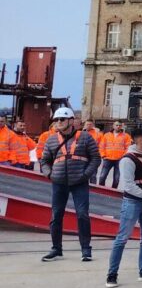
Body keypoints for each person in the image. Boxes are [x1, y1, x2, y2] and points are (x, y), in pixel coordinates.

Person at [40, 107, 100, 263]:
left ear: (71, 121)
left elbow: (96, 158)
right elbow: (44, 161)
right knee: (56, 216)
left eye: (62, 119)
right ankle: (56, 249)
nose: (58, 122)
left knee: (82, 215)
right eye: (56, 120)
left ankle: (86, 250)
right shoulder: (52, 139)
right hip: (59, 183)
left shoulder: (85, 137)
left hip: (79, 182)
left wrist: (86, 174)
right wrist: (50, 174)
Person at [105, 126, 142, 287]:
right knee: (122, 238)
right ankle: (112, 274)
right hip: (134, 202)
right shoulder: (128, 159)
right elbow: (128, 186)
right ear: (140, 139)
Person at [98, 121, 130, 188]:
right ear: (113, 126)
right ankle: (101, 190)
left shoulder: (126, 136)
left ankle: (113, 191)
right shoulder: (106, 135)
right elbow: (101, 146)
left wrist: (123, 157)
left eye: (119, 125)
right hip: (107, 159)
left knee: (116, 178)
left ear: (121, 126)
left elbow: (128, 148)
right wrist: (103, 155)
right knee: (102, 177)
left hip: (119, 160)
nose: (118, 126)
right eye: (116, 125)